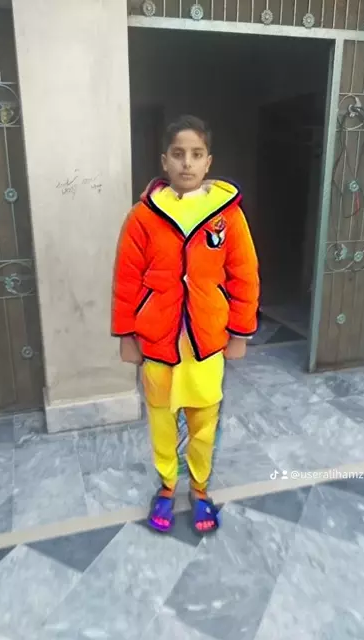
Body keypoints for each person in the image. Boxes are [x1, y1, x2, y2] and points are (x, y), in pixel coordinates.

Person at [111, 115, 260, 535]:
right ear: (165, 160)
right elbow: (126, 279)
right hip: (158, 341)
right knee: (161, 417)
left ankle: (199, 488)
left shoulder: (227, 216)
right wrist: (126, 335)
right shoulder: (142, 217)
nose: (187, 163)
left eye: (196, 154)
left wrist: (240, 332)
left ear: (208, 162)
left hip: (206, 340)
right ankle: (166, 485)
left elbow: (244, 275)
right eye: (178, 154)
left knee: (203, 419)